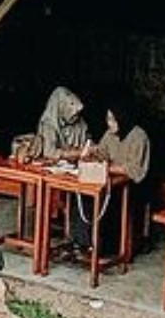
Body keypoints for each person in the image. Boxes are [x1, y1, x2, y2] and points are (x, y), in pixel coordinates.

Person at [71, 100, 150, 254]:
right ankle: (83, 242)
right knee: (83, 195)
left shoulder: (139, 136)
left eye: (113, 120)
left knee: (110, 202)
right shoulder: (110, 134)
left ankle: (107, 248)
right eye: (108, 119)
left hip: (132, 185)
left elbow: (133, 169)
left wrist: (107, 168)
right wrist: (91, 153)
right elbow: (102, 152)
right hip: (110, 180)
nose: (109, 124)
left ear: (123, 118)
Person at [33, 86, 88, 161]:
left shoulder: (79, 122)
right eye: (73, 114)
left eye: (77, 114)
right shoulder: (49, 124)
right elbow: (49, 152)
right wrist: (74, 153)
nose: (76, 117)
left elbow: (86, 142)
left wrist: (91, 148)